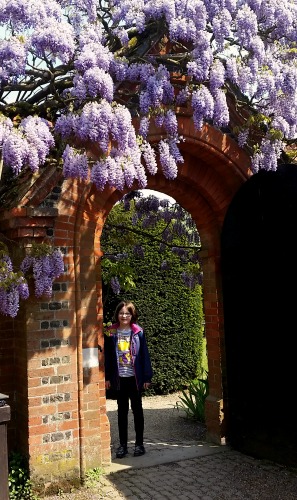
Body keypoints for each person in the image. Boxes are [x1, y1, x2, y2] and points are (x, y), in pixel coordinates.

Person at [104, 300, 153, 458]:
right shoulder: (111, 332)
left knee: (137, 411)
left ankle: (139, 444)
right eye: (121, 313)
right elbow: (107, 358)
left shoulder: (138, 332)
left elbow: (144, 355)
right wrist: (107, 377)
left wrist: (147, 376)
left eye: (127, 313)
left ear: (132, 315)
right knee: (121, 412)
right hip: (119, 378)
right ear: (117, 314)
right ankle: (122, 445)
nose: (124, 316)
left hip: (135, 378)